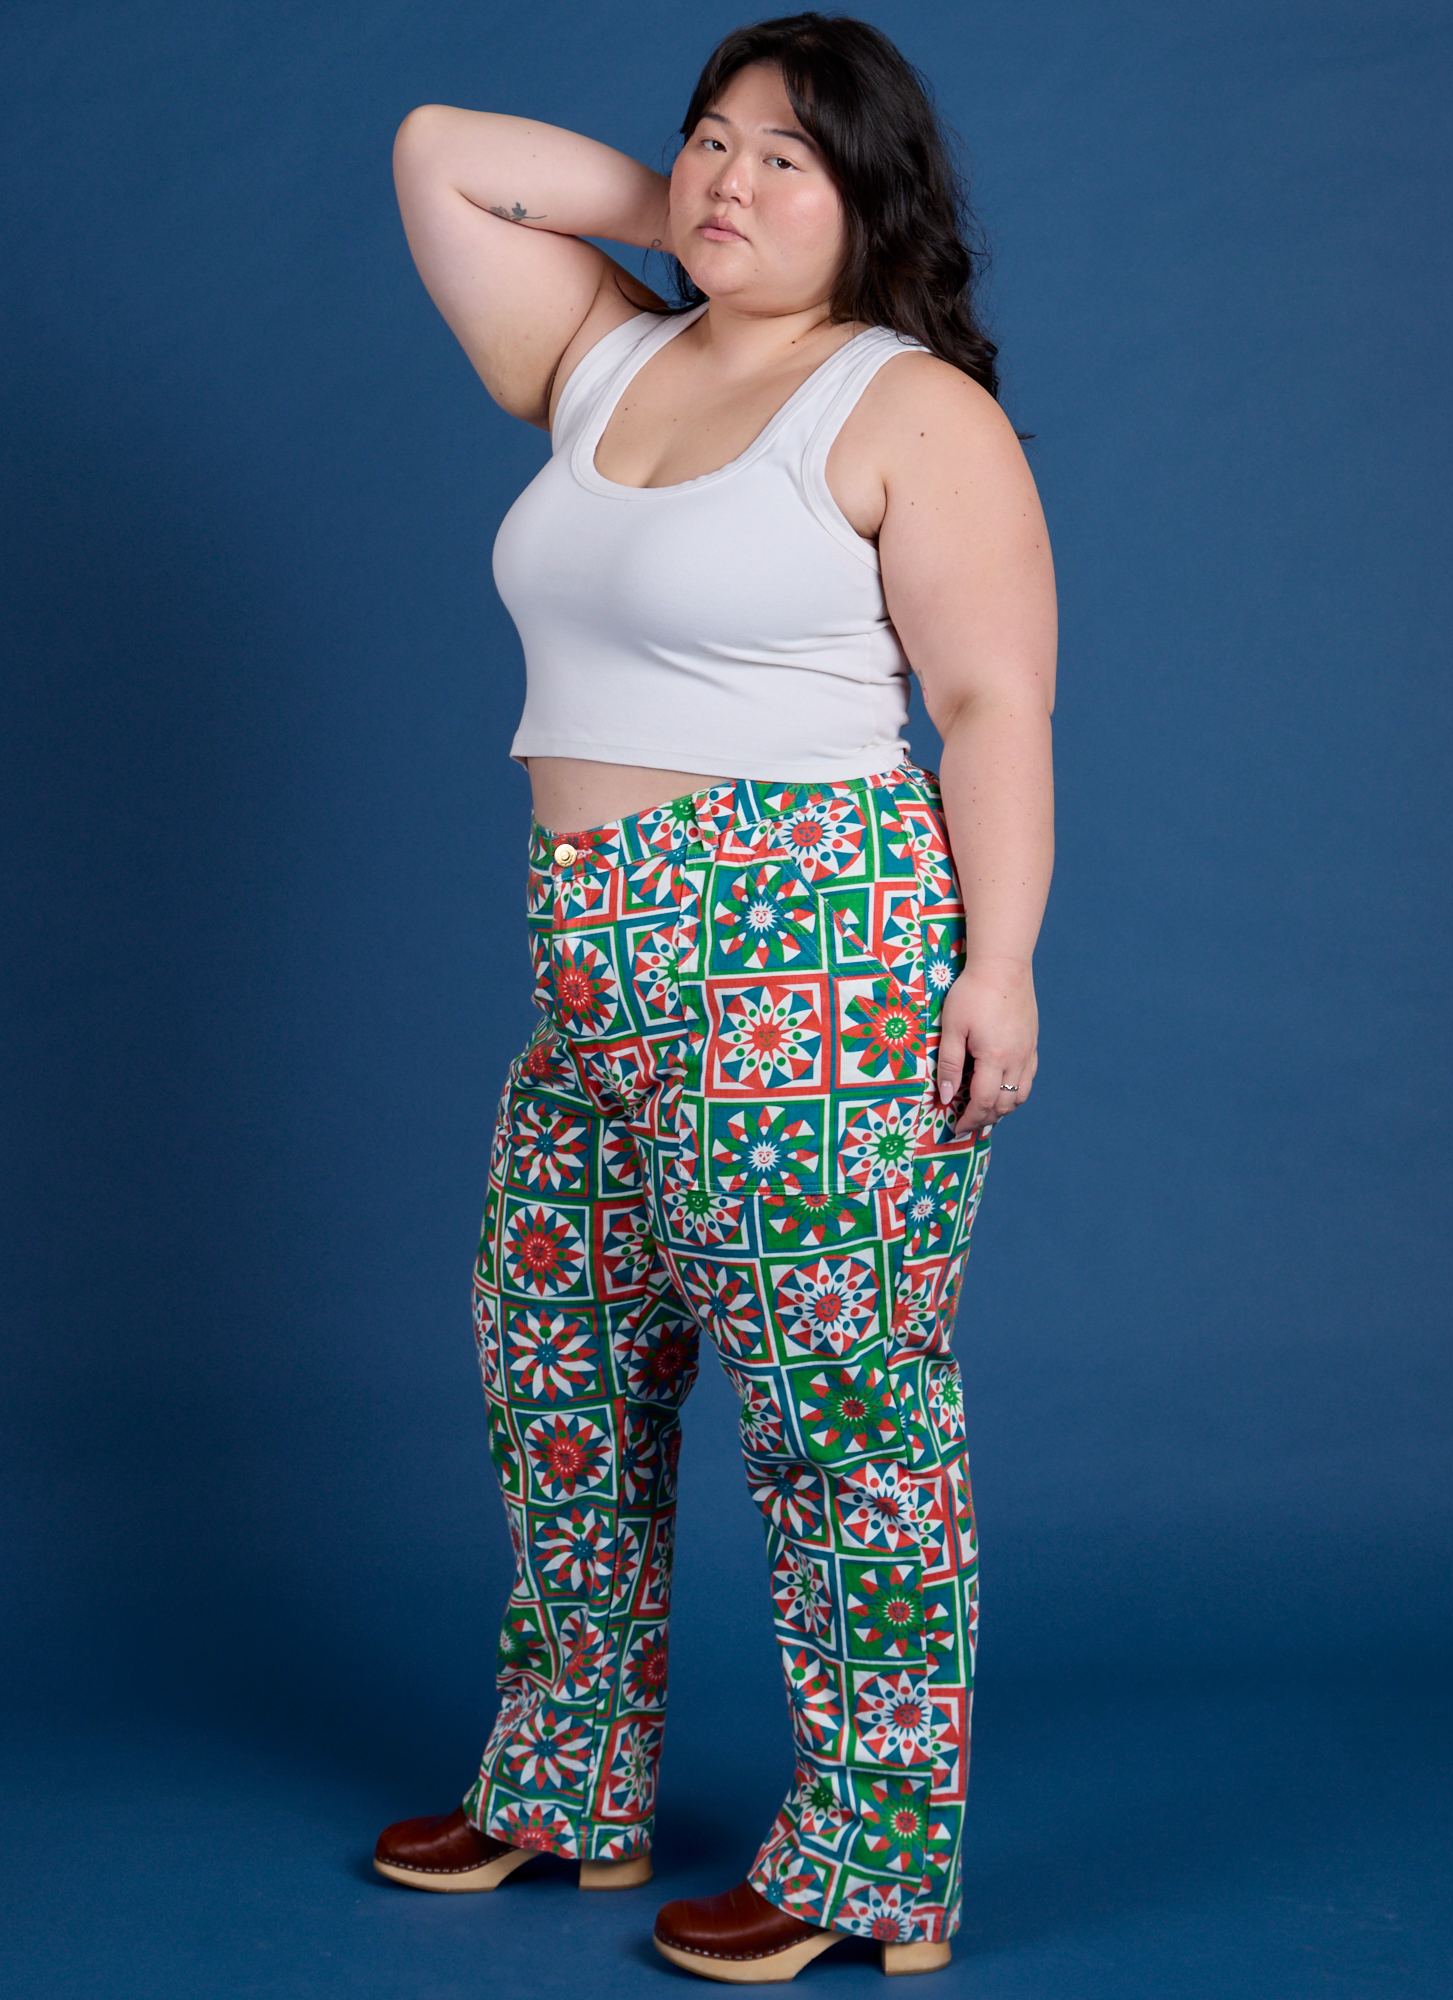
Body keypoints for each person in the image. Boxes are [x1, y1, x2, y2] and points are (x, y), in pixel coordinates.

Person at [374, 11, 1055, 1982]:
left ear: (876, 202)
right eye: (709, 142)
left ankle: (873, 1864)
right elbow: (440, 150)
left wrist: (995, 960)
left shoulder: (903, 405)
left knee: (839, 1414)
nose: (729, 179)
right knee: (559, 1365)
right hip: (590, 940)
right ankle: (564, 1779)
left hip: (808, 947)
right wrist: (689, 207)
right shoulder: (606, 356)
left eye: (788, 157)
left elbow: (992, 700)